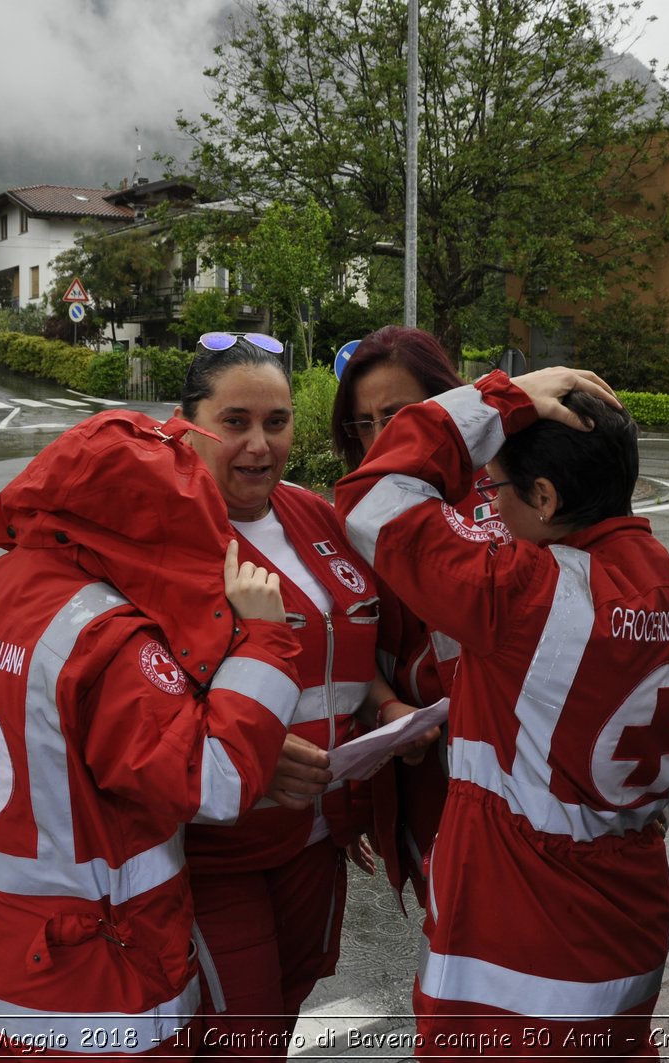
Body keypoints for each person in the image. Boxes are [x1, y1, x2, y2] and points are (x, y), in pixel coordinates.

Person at [336, 367, 669, 1060]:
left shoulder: (525, 596)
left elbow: (373, 494)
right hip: (624, 939)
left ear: (544, 497)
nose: (490, 506)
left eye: (496, 489)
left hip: (514, 964)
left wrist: (499, 396)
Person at [0, 410, 303, 1059]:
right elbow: (212, 781)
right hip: (101, 995)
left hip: (1, 970)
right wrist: (265, 640)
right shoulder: (102, 638)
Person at [174, 332, 384, 1059]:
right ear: (189, 422)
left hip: (317, 837)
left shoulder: (314, 514)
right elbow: (129, 702)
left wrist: (384, 705)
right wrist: (256, 754)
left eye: (277, 420)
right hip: (217, 848)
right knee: (244, 1032)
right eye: (235, 422)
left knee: (283, 1009)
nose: (260, 444)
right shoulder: (164, 536)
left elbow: (356, 633)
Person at [329, 325, 507, 907]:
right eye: (365, 421)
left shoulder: (507, 494)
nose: (383, 436)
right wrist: (389, 711)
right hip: (420, 771)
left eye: (399, 414)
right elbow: (351, 647)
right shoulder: (355, 516)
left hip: (512, 770)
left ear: (441, 406)